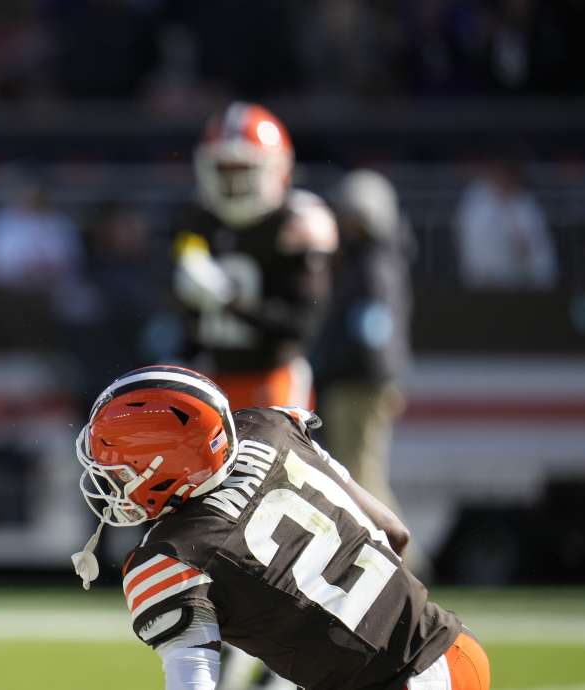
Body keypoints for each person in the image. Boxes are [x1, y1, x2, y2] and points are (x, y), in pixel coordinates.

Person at [70, 365, 490, 690]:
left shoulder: (171, 556)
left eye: (120, 472)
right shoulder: (268, 427)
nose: (111, 483)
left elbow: (193, 681)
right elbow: (394, 533)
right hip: (454, 645)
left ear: (165, 467)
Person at [173, 102, 337, 410]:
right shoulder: (198, 218)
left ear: (278, 168)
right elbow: (179, 272)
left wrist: (227, 299)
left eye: (243, 171)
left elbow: (300, 326)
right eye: (224, 171)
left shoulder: (296, 222)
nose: (233, 185)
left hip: (273, 379)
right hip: (212, 373)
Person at [311, 170, 412, 514]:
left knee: (361, 477)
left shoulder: (373, 266)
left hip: (359, 383)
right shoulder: (374, 261)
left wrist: (336, 367)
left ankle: (399, 560)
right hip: (361, 380)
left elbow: (371, 332)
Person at [454, 157, 557, 291]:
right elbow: (468, 238)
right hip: (483, 282)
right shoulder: (477, 201)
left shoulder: (525, 205)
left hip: (519, 284)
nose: (504, 180)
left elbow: (536, 248)